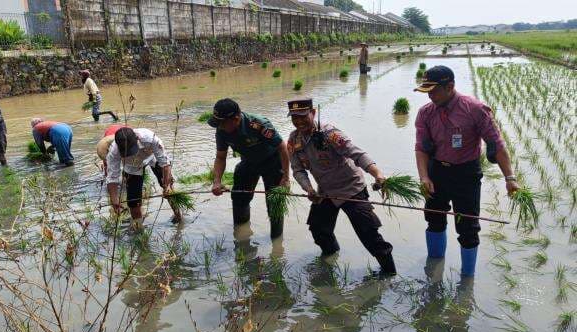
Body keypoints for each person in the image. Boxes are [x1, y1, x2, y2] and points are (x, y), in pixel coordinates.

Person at [414, 65, 519, 277]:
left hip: (465, 174)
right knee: (434, 218)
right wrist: (424, 176)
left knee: (468, 228)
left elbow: (496, 145)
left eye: (433, 90)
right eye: (427, 92)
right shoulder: (425, 113)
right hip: (437, 172)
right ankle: (434, 268)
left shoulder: (475, 109)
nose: (430, 96)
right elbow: (421, 147)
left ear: (450, 86)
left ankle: (467, 280)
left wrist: (510, 178)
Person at [287, 98, 396, 275]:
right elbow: (298, 170)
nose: (298, 121)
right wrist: (308, 189)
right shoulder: (293, 141)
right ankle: (330, 256)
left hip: (351, 189)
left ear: (313, 113)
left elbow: (356, 153)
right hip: (325, 192)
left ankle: (389, 273)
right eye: (294, 118)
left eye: (302, 116)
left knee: (368, 232)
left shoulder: (330, 133)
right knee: (318, 227)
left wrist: (377, 174)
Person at [208, 98, 290, 239]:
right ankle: (241, 237)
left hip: (272, 161)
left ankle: (277, 243)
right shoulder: (221, 130)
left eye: (222, 123)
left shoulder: (258, 124)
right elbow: (221, 157)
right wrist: (217, 181)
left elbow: (282, 148)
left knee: (274, 202)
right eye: (218, 123)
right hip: (249, 161)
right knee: (239, 197)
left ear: (236, 118)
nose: (219, 126)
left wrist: (286, 177)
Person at [106, 127, 176, 229]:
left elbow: (165, 164)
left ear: (137, 138)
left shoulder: (150, 138)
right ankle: (138, 229)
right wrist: (114, 200)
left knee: (170, 192)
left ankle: (178, 216)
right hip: (132, 167)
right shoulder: (114, 151)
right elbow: (112, 177)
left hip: (152, 157)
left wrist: (167, 185)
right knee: (133, 202)